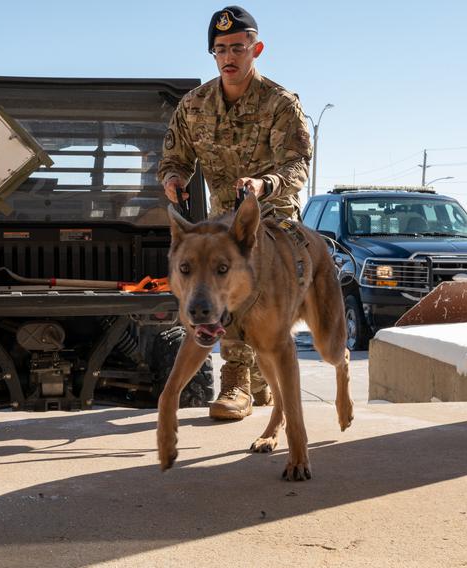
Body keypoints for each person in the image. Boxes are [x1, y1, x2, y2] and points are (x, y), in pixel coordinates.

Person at [157, 5, 313, 420]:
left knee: (261, 301)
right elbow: (175, 157)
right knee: (224, 293)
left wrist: (265, 185)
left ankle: (259, 381)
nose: (229, 57)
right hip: (222, 221)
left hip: (272, 217)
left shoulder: (280, 104)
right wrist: (173, 178)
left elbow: (297, 165)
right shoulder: (194, 106)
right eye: (220, 49)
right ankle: (236, 384)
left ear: (256, 49)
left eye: (238, 48)